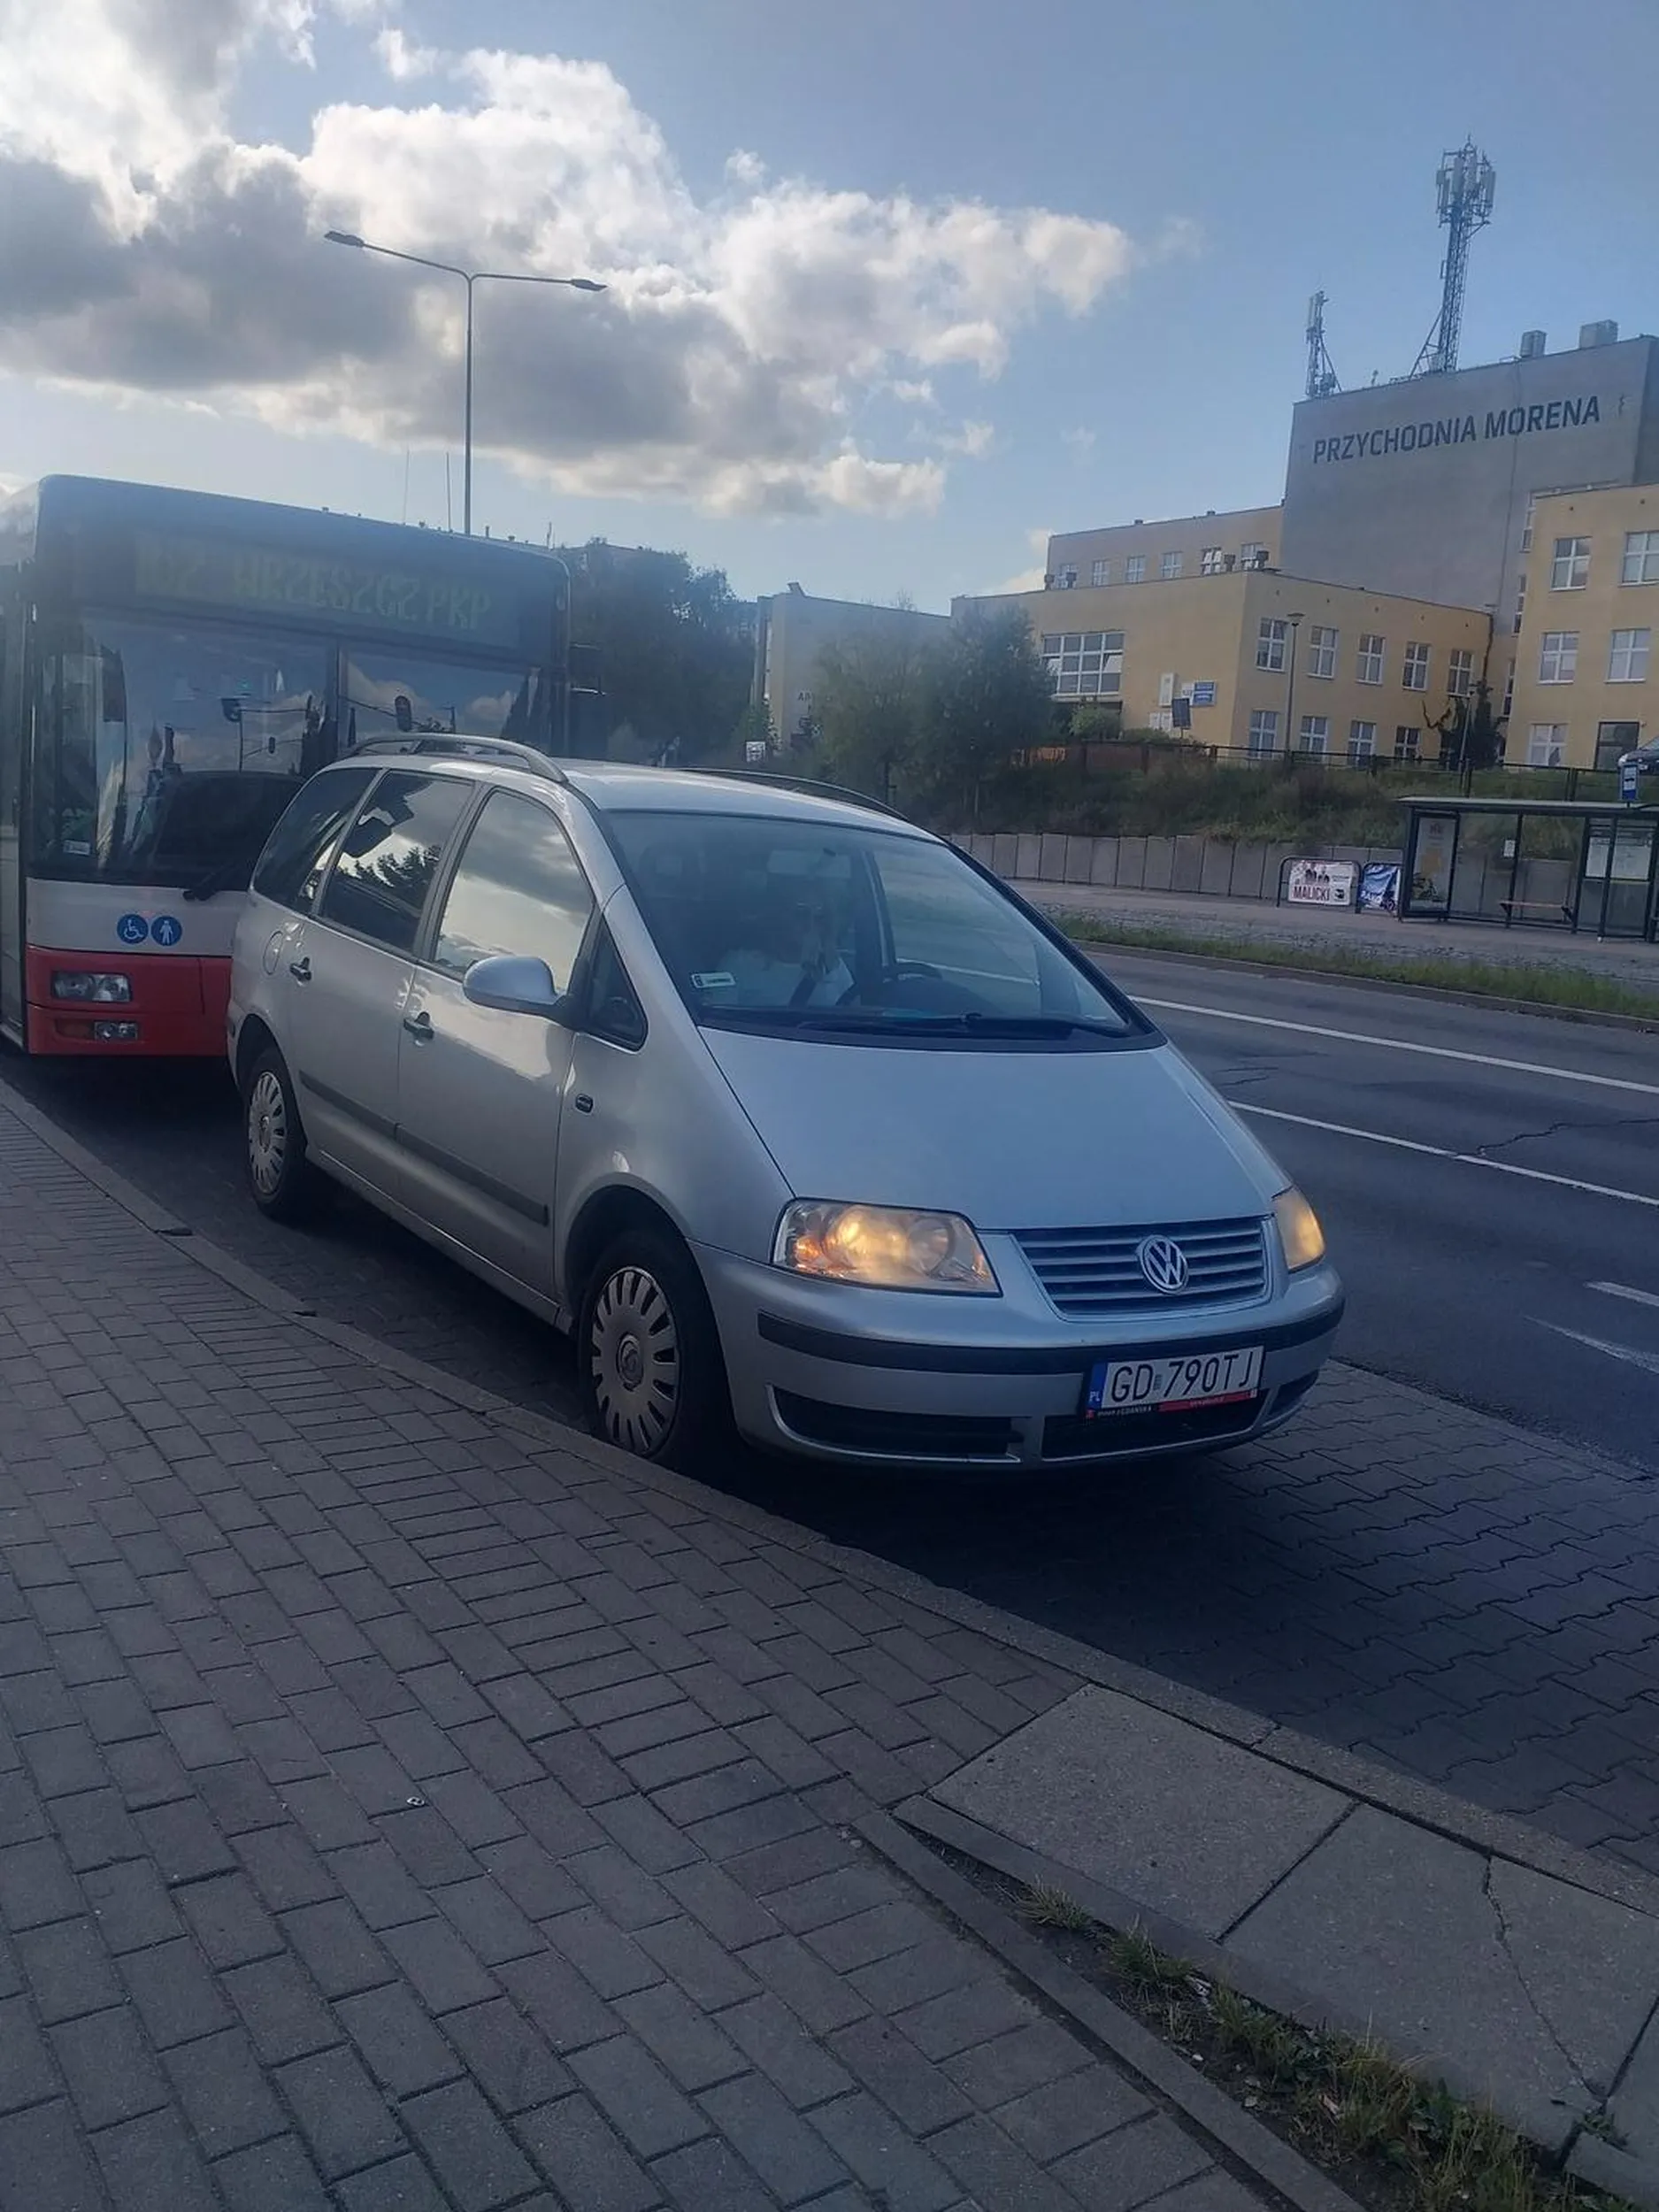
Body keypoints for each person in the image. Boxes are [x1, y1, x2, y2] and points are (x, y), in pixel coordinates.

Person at [711, 880, 854, 1008]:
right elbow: (717, 1016)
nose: (810, 923)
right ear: (778, 915)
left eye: (818, 915)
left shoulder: (832, 966)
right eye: (801, 913)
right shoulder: (739, 964)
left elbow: (853, 1016)